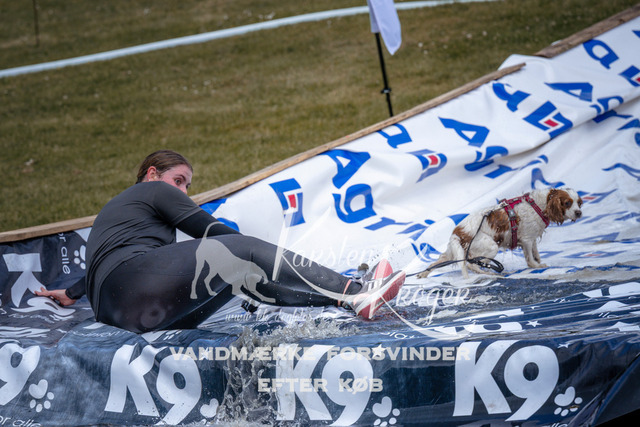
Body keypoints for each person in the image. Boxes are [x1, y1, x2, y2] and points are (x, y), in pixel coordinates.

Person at [36, 150, 405, 333]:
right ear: (152, 174)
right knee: (240, 250)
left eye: (187, 186)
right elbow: (211, 231)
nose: (183, 191)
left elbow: (100, 267)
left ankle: (347, 301)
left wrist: (70, 293)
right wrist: (256, 252)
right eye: (179, 181)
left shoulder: (120, 214)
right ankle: (354, 290)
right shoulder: (152, 192)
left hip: (123, 311)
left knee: (239, 275)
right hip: (133, 290)